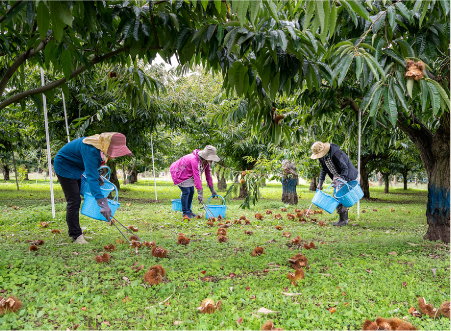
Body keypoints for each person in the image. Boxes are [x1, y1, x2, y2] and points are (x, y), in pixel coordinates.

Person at [54, 132, 133, 244]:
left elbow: (92, 168)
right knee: (74, 200)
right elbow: (91, 178)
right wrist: (102, 203)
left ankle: (77, 233)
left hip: (77, 167)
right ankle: (76, 236)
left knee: (77, 198)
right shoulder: (92, 150)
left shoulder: (102, 145)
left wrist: (97, 174)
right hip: (64, 166)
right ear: (107, 145)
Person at [310, 141, 358, 226]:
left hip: (346, 175)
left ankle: (344, 221)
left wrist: (340, 180)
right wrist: (320, 183)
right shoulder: (322, 157)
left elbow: (345, 168)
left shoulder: (336, 154)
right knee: (336, 196)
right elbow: (323, 169)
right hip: (336, 176)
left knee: (341, 196)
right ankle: (342, 220)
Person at [170, 145, 220, 218]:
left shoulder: (206, 163)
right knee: (186, 191)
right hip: (179, 171)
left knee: (191, 191)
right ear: (206, 157)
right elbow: (197, 177)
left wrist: (212, 190)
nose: (212, 160)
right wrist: (200, 193)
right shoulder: (195, 160)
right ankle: (185, 213)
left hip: (188, 173)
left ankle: (189, 211)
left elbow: (208, 175)